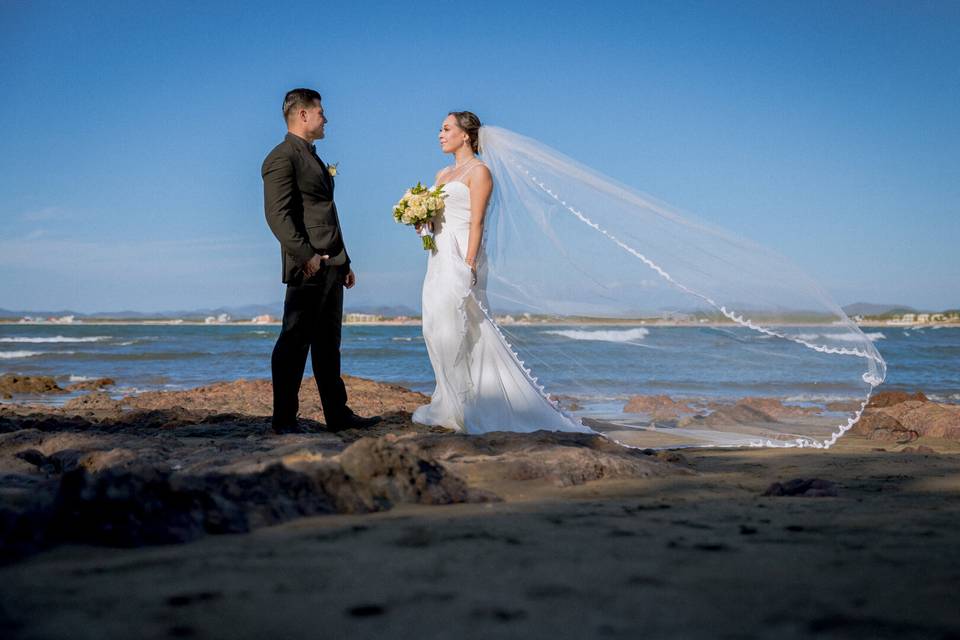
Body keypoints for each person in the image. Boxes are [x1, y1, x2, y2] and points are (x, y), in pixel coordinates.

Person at [411, 111, 592, 434]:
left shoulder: (480, 172)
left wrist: (468, 264)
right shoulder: (441, 174)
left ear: (465, 135)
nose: (440, 134)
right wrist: (421, 221)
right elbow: (437, 218)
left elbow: (477, 221)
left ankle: (474, 405)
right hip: (437, 256)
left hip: (462, 256)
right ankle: (449, 399)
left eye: (446, 128)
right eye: (440, 128)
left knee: (462, 328)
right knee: (435, 327)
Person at [262, 88, 380, 434]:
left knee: (329, 345)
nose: (325, 118)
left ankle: (338, 416)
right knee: (294, 342)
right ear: (302, 115)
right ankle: (284, 420)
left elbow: (326, 214)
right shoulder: (281, 157)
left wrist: (343, 262)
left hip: (331, 263)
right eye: (321, 112)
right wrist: (307, 256)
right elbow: (278, 216)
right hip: (307, 264)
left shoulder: (313, 157)